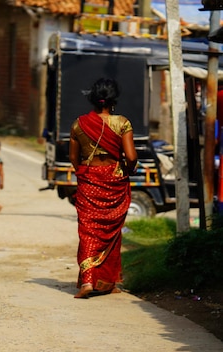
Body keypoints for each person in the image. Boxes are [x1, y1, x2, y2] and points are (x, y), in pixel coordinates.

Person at [69, 78, 138, 299]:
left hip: (89, 180)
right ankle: (108, 280)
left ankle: (91, 281)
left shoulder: (79, 124)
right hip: (114, 181)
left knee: (88, 231)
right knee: (111, 233)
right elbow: (131, 156)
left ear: (92, 98)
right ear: (113, 100)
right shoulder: (122, 123)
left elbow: (73, 158)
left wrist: (87, 174)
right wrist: (128, 169)